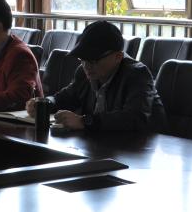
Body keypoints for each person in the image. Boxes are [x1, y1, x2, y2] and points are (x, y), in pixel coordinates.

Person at [26, 21, 167, 133]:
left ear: (118, 57)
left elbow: (134, 118)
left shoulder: (137, 75)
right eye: (82, 59)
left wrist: (84, 121)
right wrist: (45, 104)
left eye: (93, 60)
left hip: (140, 149)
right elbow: (65, 97)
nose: (86, 66)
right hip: (104, 145)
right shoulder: (84, 72)